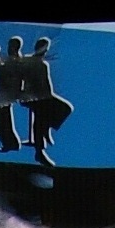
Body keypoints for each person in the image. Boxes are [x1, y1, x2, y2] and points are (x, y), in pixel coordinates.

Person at [21, 38, 74, 169]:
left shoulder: (42, 63)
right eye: (44, 49)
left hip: (43, 96)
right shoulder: (31, 62)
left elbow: (47, 85)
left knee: (64, 108)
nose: (45, 52)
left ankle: (46, 131)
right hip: (33, 96)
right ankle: (40, 150)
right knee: (42, 116)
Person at [0, 39, 27, 153]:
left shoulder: (14, 61)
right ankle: (11, 143)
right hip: (4, 93)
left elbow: (1, 69)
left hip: (5, 94)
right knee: (3, 119)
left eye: (11, 46)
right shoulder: (15, 60)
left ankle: (11, 143)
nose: (9, 48)